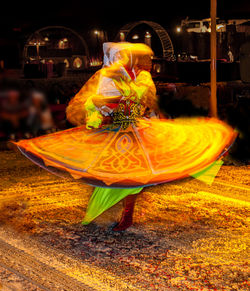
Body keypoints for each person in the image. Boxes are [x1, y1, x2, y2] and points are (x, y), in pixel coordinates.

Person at [15, 42, 237, 232]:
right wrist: (102, 110)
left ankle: (127, 212)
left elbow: (143, 99)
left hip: (137, 130)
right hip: (111, 132)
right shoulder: (105, 76)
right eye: (121, 56)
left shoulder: (141, 76)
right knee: (107, 173)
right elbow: (88, 104)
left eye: (126, 56)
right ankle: (108, 208)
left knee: (133, 174)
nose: (124, 60)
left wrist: (127, 105)